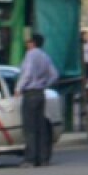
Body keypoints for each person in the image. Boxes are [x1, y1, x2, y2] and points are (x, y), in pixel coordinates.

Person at [19, 33, 59, 167]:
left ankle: (30, 158)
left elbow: (27, 73)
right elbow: (54, 74)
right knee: (40, 126)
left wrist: (19, 87)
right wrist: (44, 84)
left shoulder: (31, 55)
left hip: (29, 93)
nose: (27, 44)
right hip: (40, 93)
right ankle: (43, 158)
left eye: (28, 42)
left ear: (33, 43)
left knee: (30, 127)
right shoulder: (45, 56)